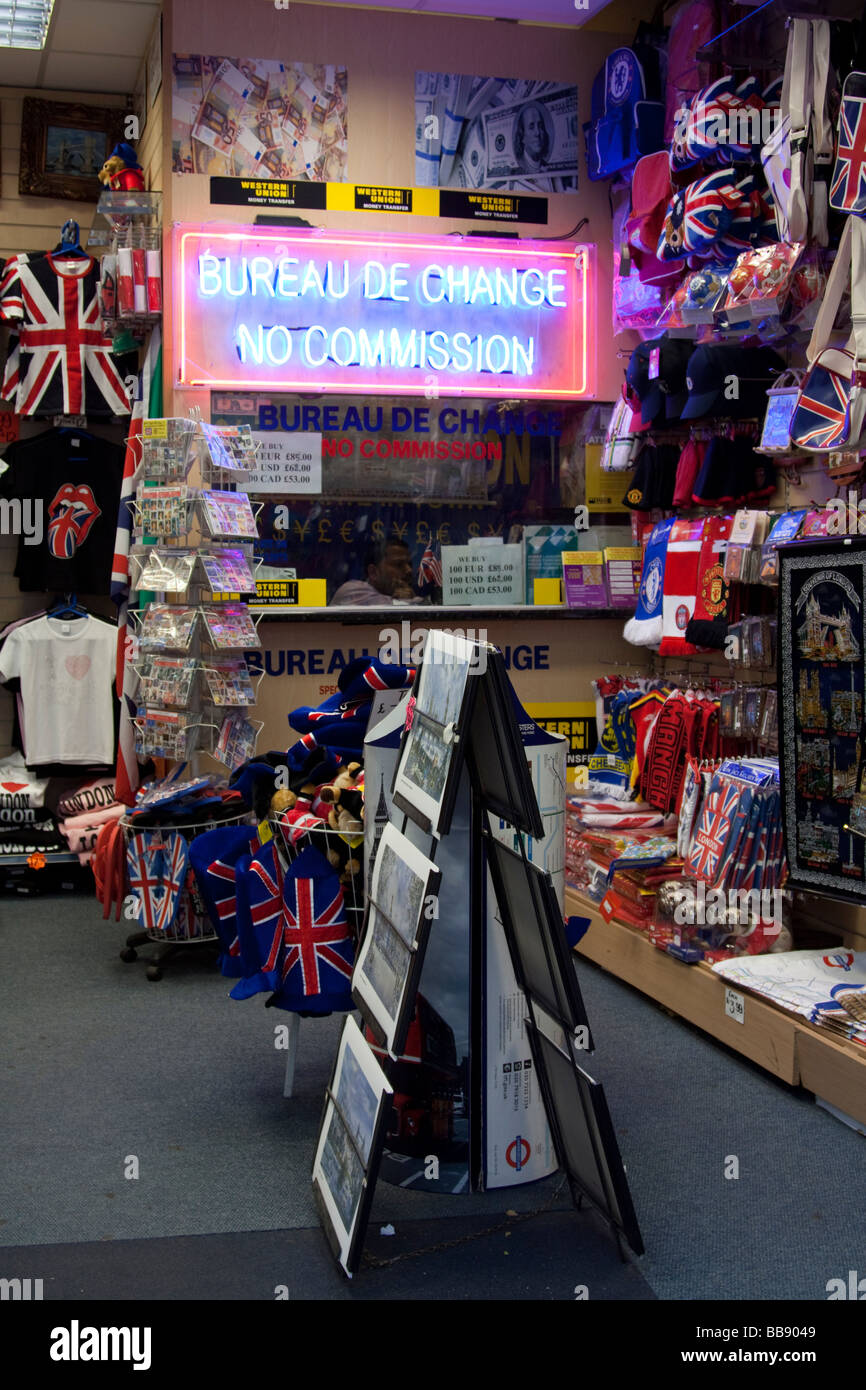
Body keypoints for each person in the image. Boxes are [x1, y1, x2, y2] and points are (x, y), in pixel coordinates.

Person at [330, 537, 429, 606]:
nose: (409, 570)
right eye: (398, 564)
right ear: (373, 572)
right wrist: (406, 600)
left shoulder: (406, 594)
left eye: (410, 564)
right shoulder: (352, 591)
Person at [514, 103, 550, 173]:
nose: (537, 133)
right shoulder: (517, 167)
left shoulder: (547, 165)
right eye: (531, 127)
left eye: (540, 126)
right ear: (522, 136)